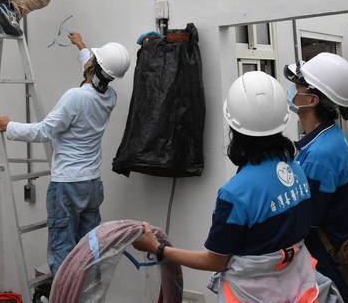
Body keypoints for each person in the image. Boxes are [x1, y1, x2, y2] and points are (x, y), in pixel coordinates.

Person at [133, 71, 336, 303]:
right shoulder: (296, 169)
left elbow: (216, 261)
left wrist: (158, 249)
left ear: (233, 126)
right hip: (298, 289)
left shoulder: (235, 194)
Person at [0, 32, 130, 278]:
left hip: (67, 186)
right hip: (91, 184)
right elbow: (96, 71)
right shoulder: (110, 97)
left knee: (63, 249)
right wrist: (82, 46)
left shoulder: (74, 97)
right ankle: (87, 294)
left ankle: (65, 294)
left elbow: (44, 131)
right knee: (89, 248)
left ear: (93, 66)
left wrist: (9, 126)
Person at [284, 52, 348, 303]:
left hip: (326, 267)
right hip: (335, 257)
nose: (292, 92)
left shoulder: (320, 154)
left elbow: (306, 219)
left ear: (311, 100)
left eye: (298, 87)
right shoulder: (331, 138)